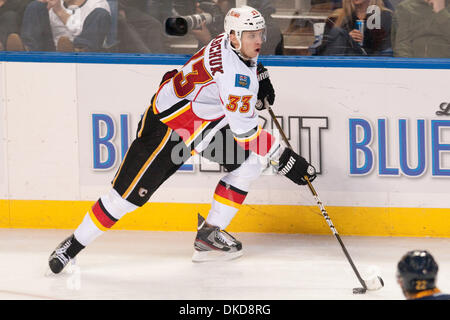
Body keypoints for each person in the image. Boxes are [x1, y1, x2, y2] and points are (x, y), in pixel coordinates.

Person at [47, 5, 317, 274]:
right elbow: (246, 134)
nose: (258, 41)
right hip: (170, 127)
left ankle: (209, 237)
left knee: (248, 165)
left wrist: (259, 74)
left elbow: (242, 68)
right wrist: (285, 159)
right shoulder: (236, 79)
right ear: (234, 36)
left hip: (201, 123)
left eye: (260, 33)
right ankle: (71, 246)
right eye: (251, 35)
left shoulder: (229, 43)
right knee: (125, 199)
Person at [20, 0, 111, 52]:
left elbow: (83, 32)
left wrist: (60, 11)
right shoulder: (53, 3)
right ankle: (28, 50)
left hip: (82, 56)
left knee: (101, 14)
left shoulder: (98, 4)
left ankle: (79, 50)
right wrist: (42, 12)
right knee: (35, 6)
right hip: (53, 51)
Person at [311, 0, 393, 56]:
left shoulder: (385, 17)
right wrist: (345, 39)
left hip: (370, 65)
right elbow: (323, 51)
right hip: (339, 64)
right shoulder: (335, 18)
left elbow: (384, 51)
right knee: (338, 33)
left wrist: (364, 41)